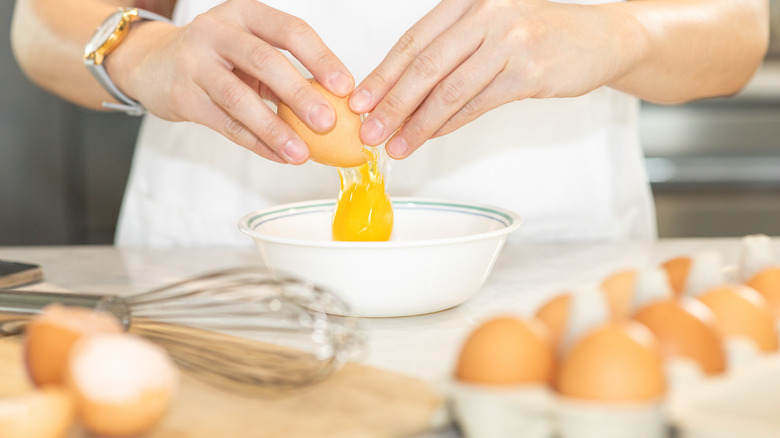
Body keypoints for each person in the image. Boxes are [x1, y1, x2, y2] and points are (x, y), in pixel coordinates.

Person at [11, 0, 769, 246]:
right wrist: (149, 53)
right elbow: (41, 24)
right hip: (222, 280)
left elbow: (738, 29)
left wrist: (620, 35)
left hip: (552, 271)